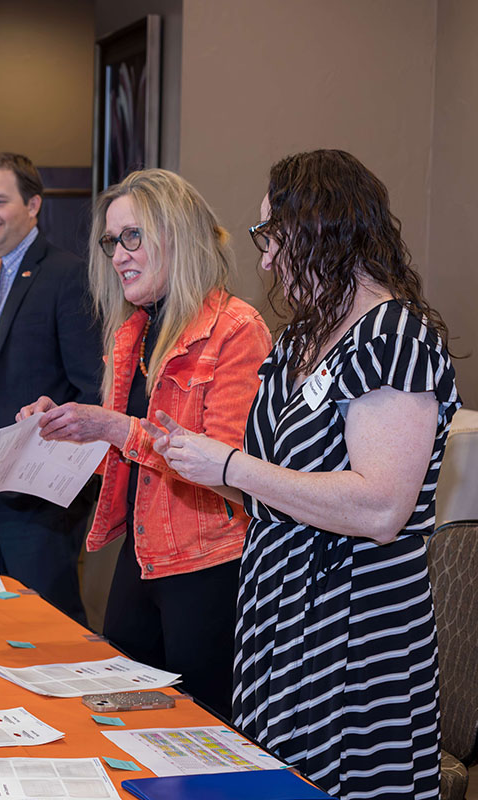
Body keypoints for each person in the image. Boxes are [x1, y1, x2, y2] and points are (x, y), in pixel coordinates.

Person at [150, 149, 459, 798]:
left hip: (352, 628)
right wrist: (200, 464)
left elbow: (380, 509)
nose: (263, 259)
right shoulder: (297, 340)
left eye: (271, 236)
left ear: (319, 227)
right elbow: (272, 477)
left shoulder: (394, 339)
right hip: (277, 614)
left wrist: (230, 464)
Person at [17, 169, 272, 718]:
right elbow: (121, 459)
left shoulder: (236, 329)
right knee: (128, 720)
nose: (118, 255)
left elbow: (225, 467)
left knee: (205, 736)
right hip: (139, 556)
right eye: (112, 241)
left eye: (132, 236)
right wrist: (59, 430)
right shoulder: (130, 332)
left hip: (207, 566)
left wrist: (108, 426)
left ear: (177, 236)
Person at [0, 152, 102, 625]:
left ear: (33, 205)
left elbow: (90, 385)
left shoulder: (68, 275)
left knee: (46, 620)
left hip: (34, 486)